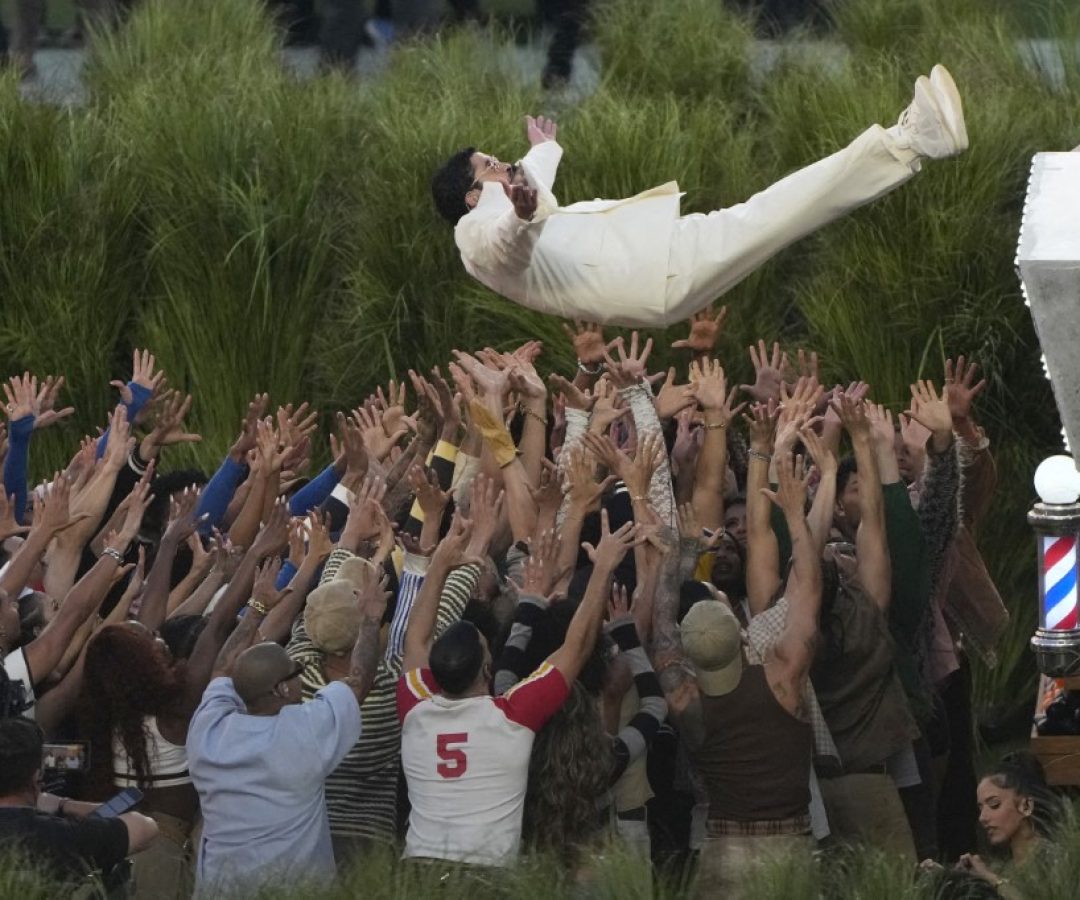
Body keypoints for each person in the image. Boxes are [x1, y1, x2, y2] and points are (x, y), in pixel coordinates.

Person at [431, 66, 967, 328]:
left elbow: (531, 188)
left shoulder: (505, 198)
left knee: (776, 210)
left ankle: (909, 141)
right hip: (649, 275)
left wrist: (546, 151)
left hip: (653, 264)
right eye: (492, 166)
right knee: (779, 209)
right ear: (472, 196)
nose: (504, 166)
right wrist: (521, 217)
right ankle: (911, 138)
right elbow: (507, 241)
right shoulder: (474, 233)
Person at [397, 507, 640, 868]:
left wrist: (439, 565)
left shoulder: (415, 709)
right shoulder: (512, 716)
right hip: (483, 882)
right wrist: (602, 569)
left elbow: (414, 640)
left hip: (415, 875)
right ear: (488, 668)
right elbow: (577, 646)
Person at [185, 550, 389, 894]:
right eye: (295, 672)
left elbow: (222, 668)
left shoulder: (208, 730)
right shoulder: (303, 733)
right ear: (281, 689)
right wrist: (369, 620)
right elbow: (358, 681)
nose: (302, 671)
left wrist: (256, 610)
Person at [0, 717, 159, 888]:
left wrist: (60, 804)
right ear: (36, 777)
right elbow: (145, 827)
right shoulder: (56, 834)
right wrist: (63, 805)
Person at [952, 752, 1059, 898]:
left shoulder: (1056, 860)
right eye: (980, 808)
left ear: (1026, 806)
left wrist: (991, 879)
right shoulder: (1000, 864)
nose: (983, 817)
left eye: (994, 804)